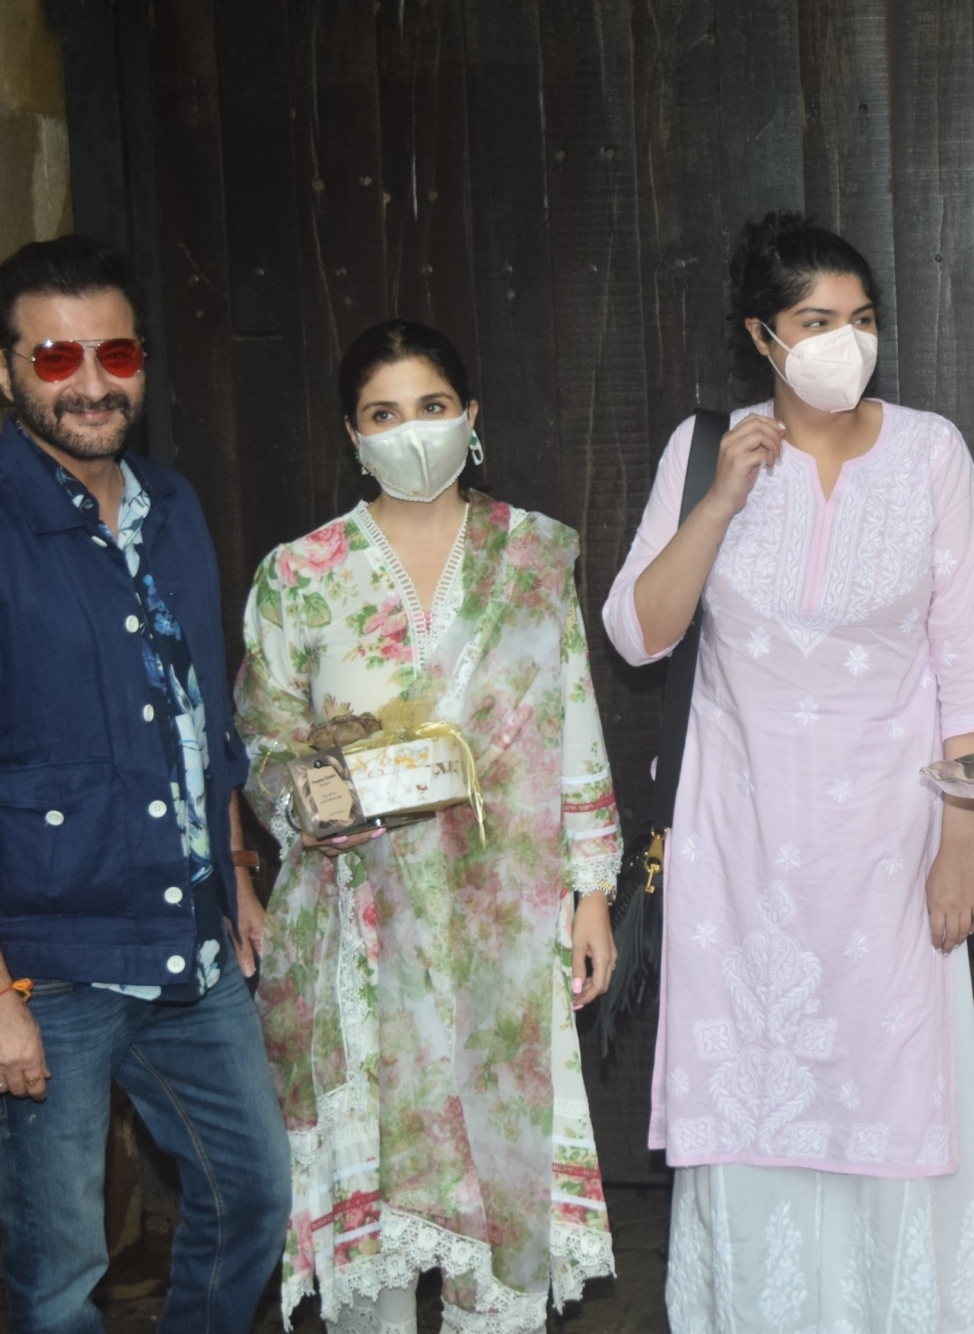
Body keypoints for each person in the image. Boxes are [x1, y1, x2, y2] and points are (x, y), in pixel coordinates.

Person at [605, 213, 974, 1332]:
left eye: (862, 318)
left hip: (893, 848)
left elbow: (972, 667)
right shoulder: (704, 450)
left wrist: (961, 843)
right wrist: (720, 501)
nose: (846, 341)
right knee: (757, 1104)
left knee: (894, 1097)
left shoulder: (929, 452)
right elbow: (638, 633)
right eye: (816, 320)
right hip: (741, 857)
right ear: (761, 335)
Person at [235, 320, 620, 1331]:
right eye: (384, 414)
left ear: (470, 415)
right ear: (352, 435)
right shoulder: (301, 572)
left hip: (505, 924)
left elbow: (573, 720)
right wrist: (310, 810)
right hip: (359, 927)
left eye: (431, 406)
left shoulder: (531, 554)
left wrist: (592, 893)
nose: (411, 431)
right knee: (376, 1233)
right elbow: (265, 743)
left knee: (497, 1193)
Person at [0, 235, 290, 1331]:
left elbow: (201, 712)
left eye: (113, 354)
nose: (89, 382)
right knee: (58, 1277)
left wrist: (238, 871)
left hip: (187, 937)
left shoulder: (171, 503)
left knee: (250, 1193)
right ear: (7, 372)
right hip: (47, 966)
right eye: (55, 356)